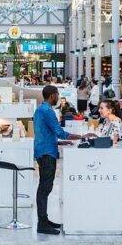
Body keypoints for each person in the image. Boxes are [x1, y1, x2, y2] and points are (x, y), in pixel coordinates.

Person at [33, 85, 85, 235]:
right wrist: (81, 136)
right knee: (45, 188)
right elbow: (59, 132)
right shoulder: (47, 111)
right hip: (47, 153)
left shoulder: (40, 110)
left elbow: (45, 133)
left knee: (45, 188)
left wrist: (60, 142)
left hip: (44, 149)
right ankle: (42, 223)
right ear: (52, 96)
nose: (58, 97)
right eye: (57, 94)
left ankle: (44, 220)